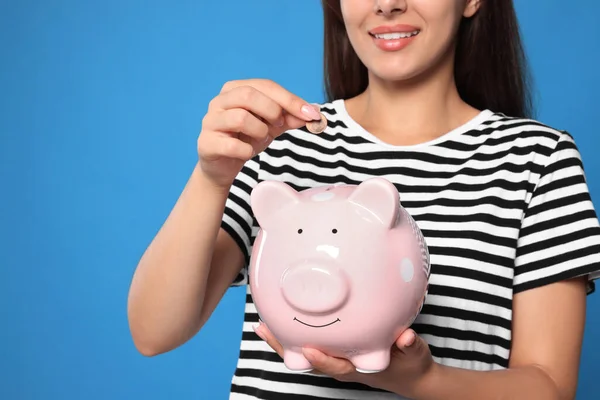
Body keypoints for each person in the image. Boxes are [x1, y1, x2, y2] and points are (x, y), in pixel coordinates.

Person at [127, 0, 600, 399]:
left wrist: (421, 379)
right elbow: (154, 332)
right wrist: (212, 177)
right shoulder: (279, 146)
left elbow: (549, 386)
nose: (387, 3)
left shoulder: (536, 159)